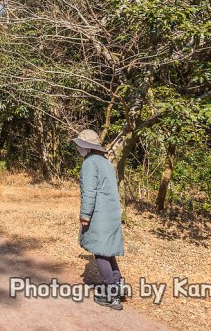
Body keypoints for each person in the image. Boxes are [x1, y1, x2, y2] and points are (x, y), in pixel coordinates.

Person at [73, 128, 125, 310]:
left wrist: (85, 216)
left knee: (100, 253)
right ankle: (118, 285)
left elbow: (89, 193)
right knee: (108, 251)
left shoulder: (90, 164)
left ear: (86, 147)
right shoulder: (105, 162)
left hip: (99, 215)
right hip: (112, 214)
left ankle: (111, 296)